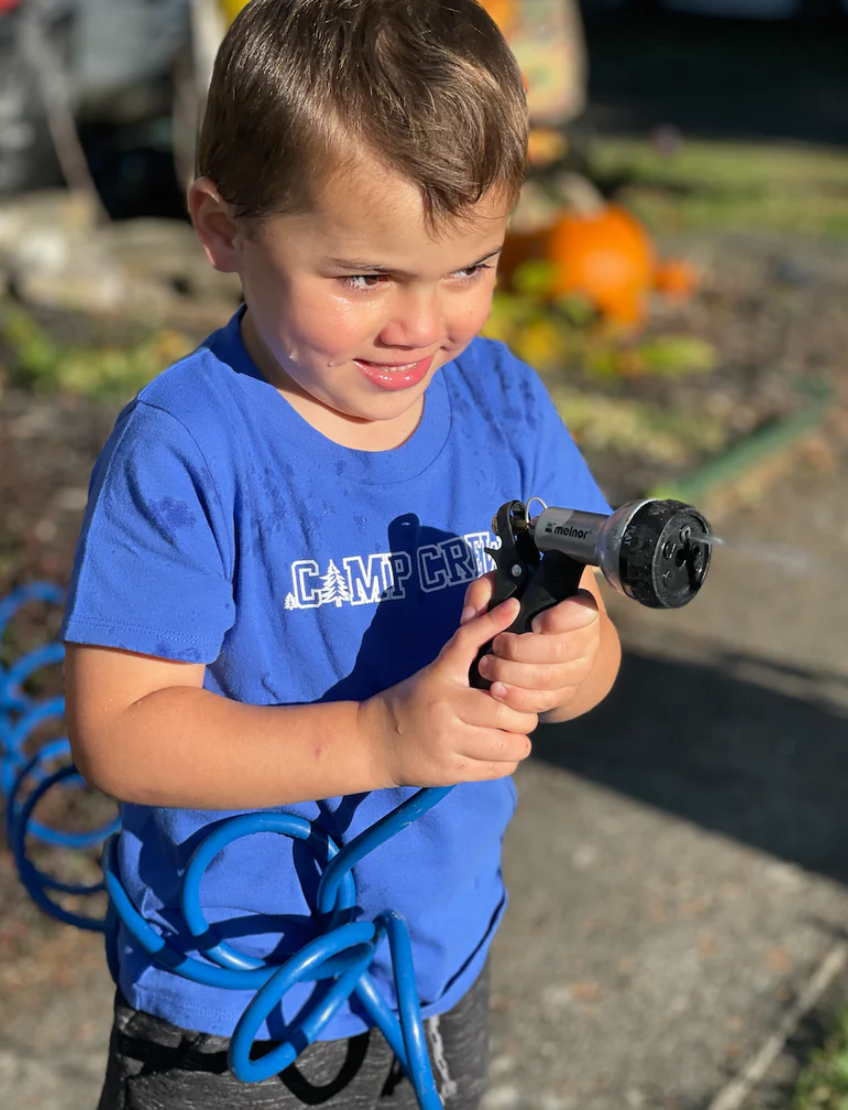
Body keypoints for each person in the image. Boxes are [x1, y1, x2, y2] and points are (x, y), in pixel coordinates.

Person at [61, 1, 622, 1107]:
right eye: (363, 278)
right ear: (221, 229)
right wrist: (379, 738)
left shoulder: (500, 403)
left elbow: (588, 623)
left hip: (435, 956)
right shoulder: (190, 447)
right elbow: (121, 732)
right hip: (236, 1000)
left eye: (468, 269)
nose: (422, 325)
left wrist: (575, 661)